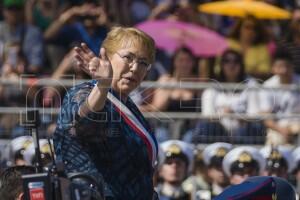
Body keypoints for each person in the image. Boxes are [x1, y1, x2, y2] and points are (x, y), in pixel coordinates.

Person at [53, 27, 158, 200]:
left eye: (143, 62)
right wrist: (102, 86)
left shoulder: (130, 106)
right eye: (128, 57)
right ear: (107, 57)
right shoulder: (83, 92)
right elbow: (85, 123)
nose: (135, 67)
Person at [259, 49, 300, 145]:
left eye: (287, 66)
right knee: (274, 142)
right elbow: (266, 117)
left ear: (292, 66)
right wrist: (281, 130)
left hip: (297, 126)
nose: (284, 70)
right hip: (277, 128)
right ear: (273, 68)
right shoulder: (267, 86)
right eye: (280, 66)